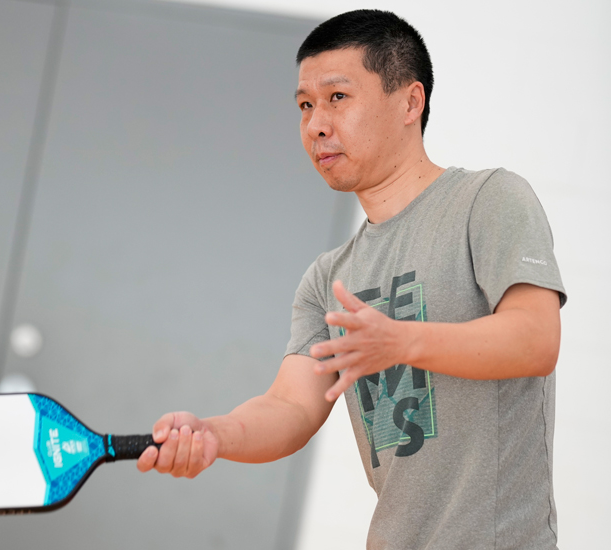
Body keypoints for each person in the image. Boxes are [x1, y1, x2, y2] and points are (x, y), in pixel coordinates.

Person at [137, 9, 566, 549]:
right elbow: (291, 408)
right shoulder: (327, 278)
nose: (316, 124)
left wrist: (403, 341)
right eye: (305, 106)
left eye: (338, 98)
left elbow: (536, 339)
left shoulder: (488, 200)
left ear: (411, 102)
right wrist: (212, 435)